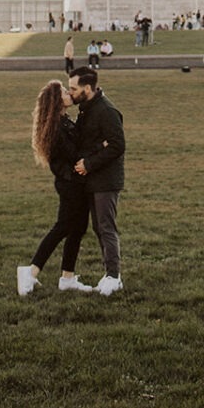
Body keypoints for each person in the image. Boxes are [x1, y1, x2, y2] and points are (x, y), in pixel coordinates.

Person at [17, 80, 93, 296]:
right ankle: (30, 272)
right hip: (69, 184)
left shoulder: (62, 121)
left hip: (75, 183)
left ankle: (67, 277)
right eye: (64, 92)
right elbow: (73, 153)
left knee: (78, 229)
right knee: (63, 227)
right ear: (56, 100)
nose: (69, 94)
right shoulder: (56, 127)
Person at [69, 66, 125, 295]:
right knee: (98, 227)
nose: (70, 92)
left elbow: (117, 145)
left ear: (88, 88)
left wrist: (89, 163)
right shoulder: (86, 109)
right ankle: (109, 274)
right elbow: (88, 142)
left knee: (106, 227)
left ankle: (114, 276)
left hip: (106, 180)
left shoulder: (107, 111)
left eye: (74, 88)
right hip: (94, 180)